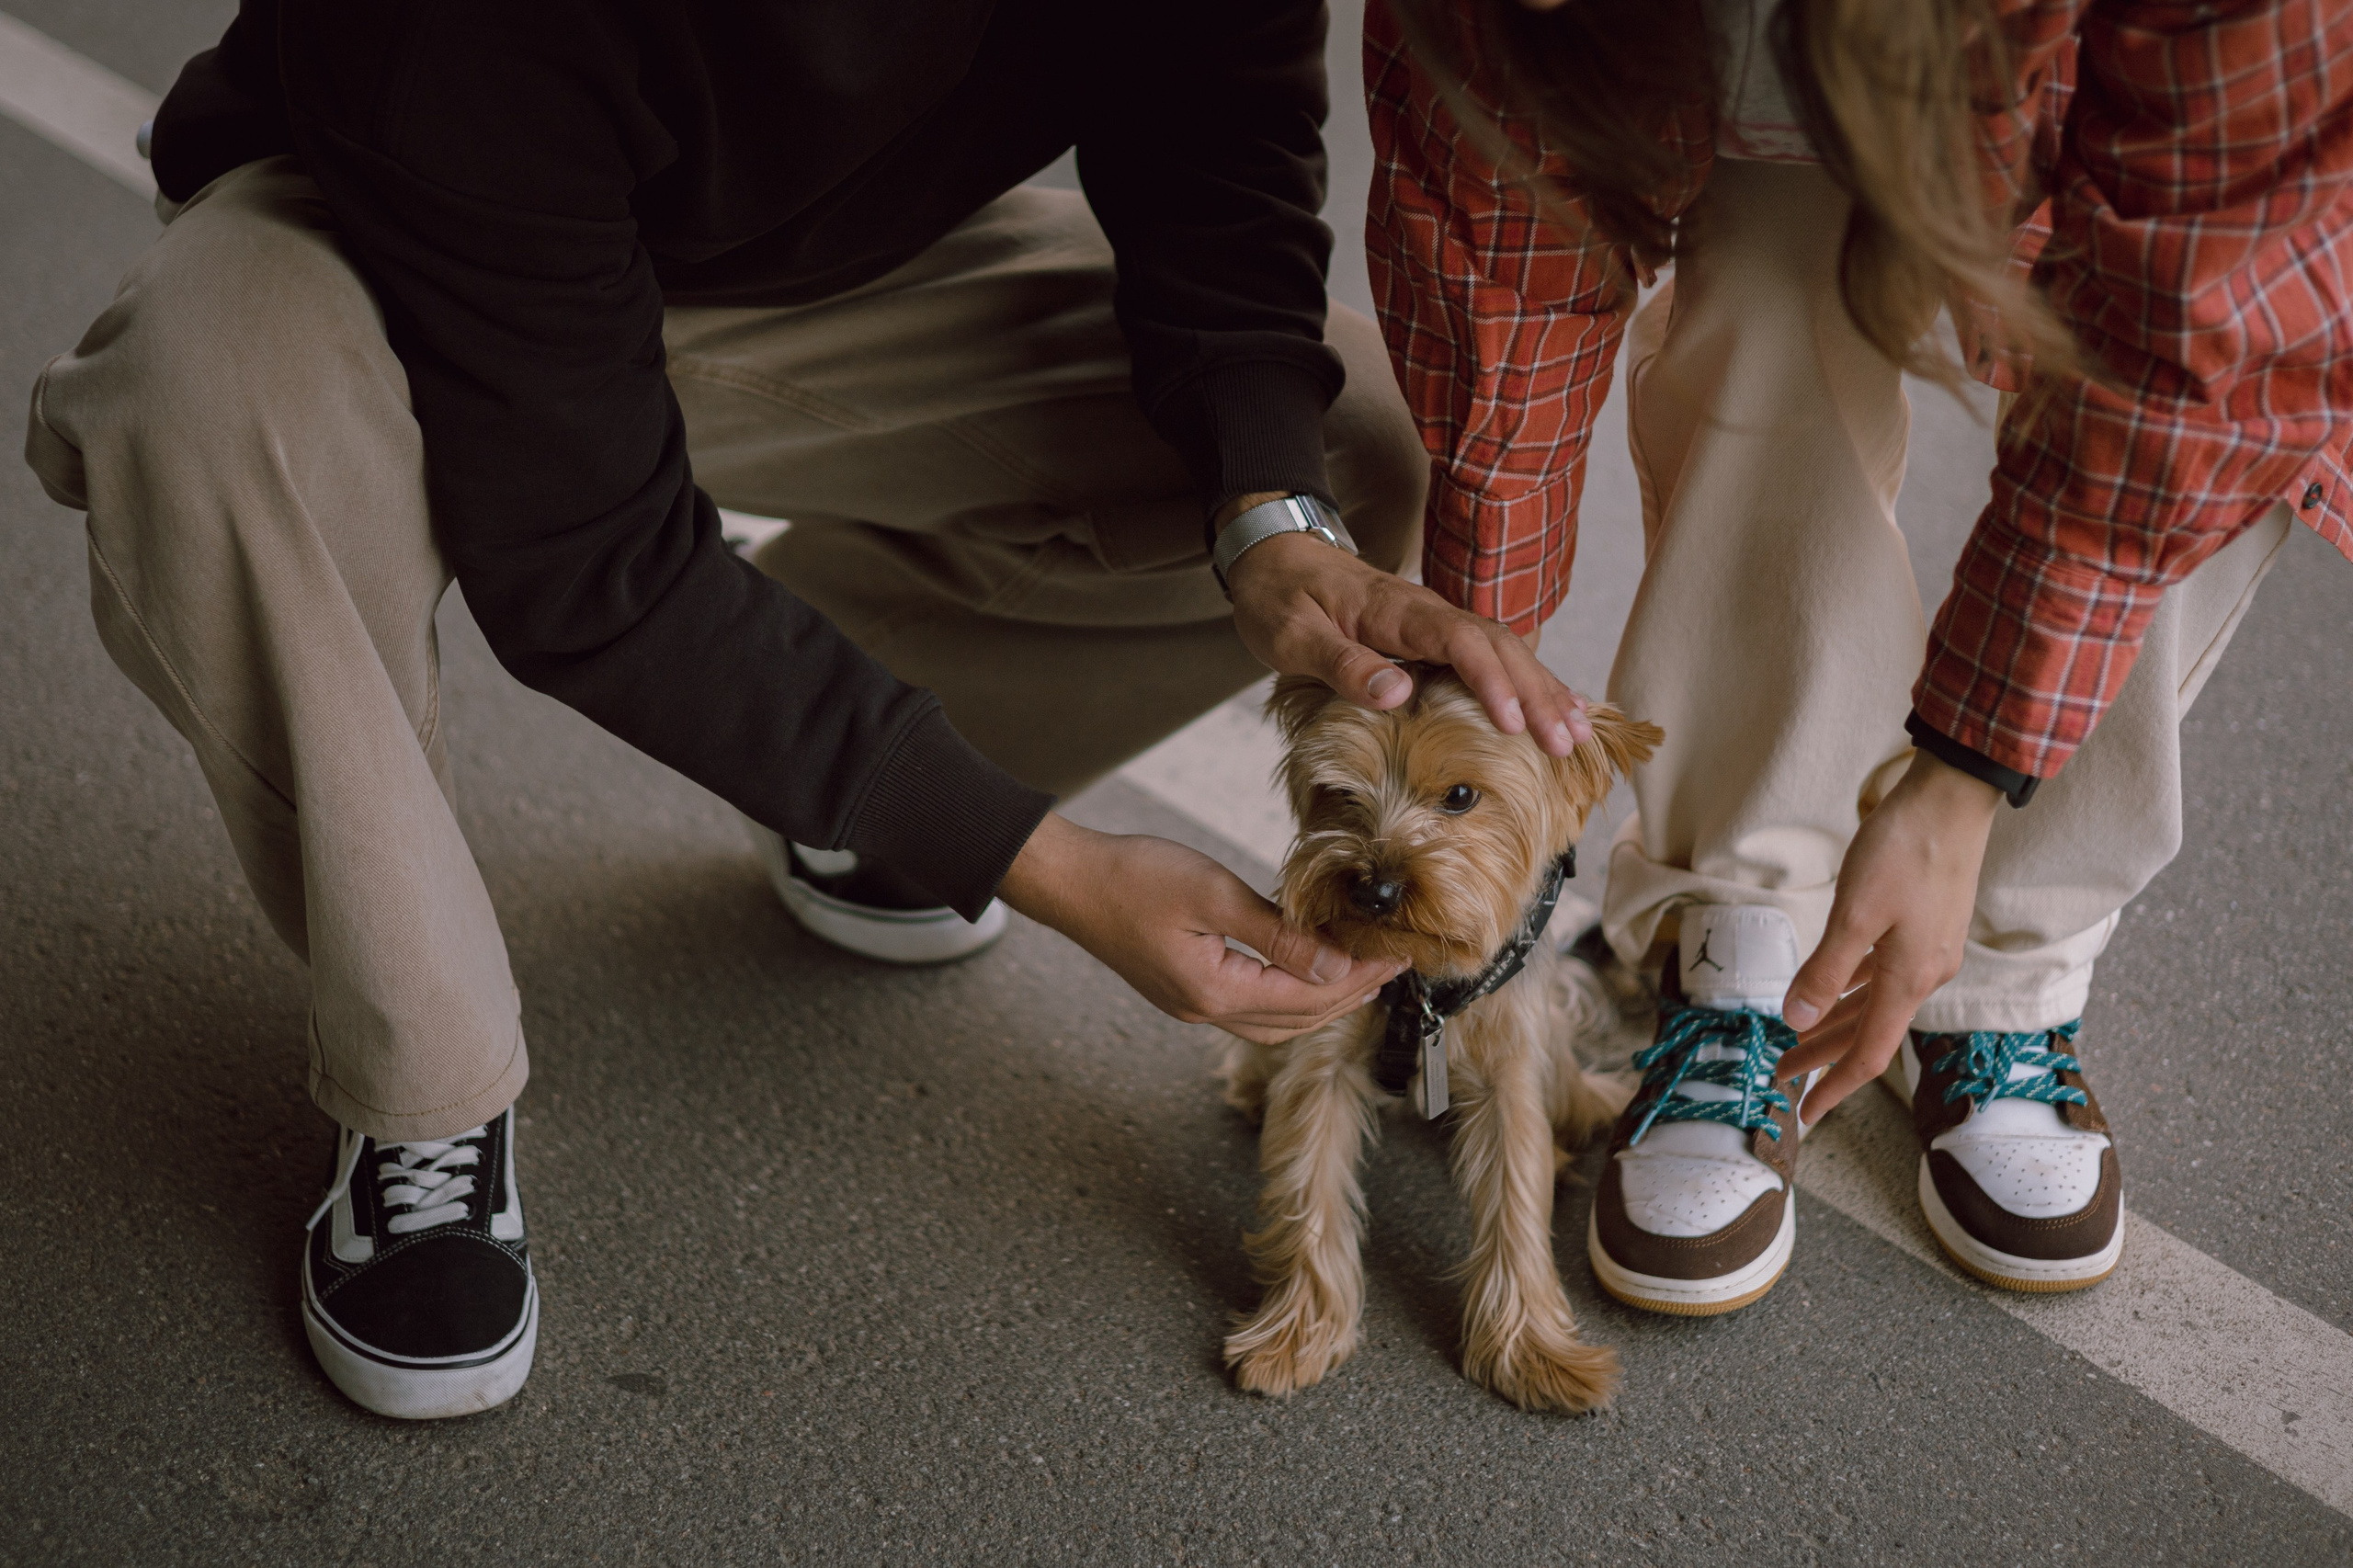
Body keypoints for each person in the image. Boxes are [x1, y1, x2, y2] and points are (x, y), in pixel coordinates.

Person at [23, 0, 1596, 1420]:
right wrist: (1041, 863)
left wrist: (1272, 522)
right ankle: (418, 1088)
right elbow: (591, 571)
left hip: (786, 276)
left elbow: (1221, 149)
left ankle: (857, 792)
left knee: (1352, 453)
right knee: (209, 394)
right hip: (384, 250)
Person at [1370, 0, 2349, 1312]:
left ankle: (2008, 962)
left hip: (2186, 127)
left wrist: (1962, 781)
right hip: (1785, 62)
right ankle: (1749, 915)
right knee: (1774, 270)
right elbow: (1491, 196)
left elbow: (2201, 332)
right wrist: (1472, 683)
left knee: (2215, 398)